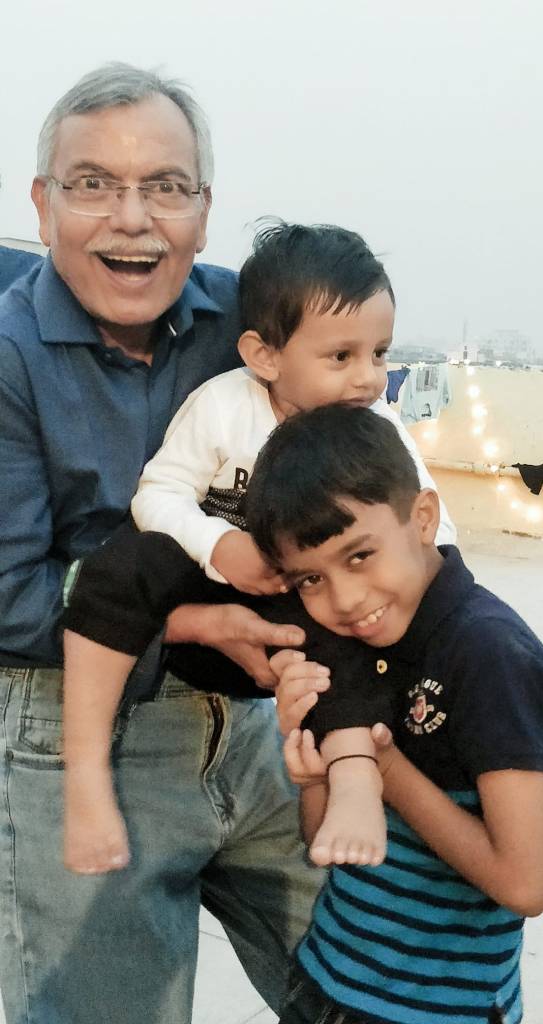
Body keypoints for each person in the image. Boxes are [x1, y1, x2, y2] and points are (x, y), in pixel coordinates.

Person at [0, 62, 326, 1024]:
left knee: (386, 977)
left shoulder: (251, 326)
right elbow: (7, 590)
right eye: (93, 184)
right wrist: (192, 623)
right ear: (43, 205)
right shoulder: (7, 355)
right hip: (73, 723)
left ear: (204, 211)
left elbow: (356, 455)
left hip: (261, 722)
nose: (133, 219)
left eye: (166, 186)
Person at [61, 220, 456, 875]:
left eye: (380, 354)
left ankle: (355, 775)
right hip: (204, 607)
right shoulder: (224, 407)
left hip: (298, 625)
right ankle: (85, 773)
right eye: (341, 357)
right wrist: (220, 546)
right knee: (123, 565)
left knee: (355, 619)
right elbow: (159, 492)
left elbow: (431, 527)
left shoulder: (376, 428)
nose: (367, 379)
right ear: (264, 356)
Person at [244, 403, 543, 1024]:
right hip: (324, 978)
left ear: (423, 517)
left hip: (435, 1009)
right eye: (310, 580)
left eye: (359, 555)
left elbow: (525, 884)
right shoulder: (351, 643)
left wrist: (382, 766)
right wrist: (317, 779)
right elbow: (330, 843)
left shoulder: (489, 654)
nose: (344, 599)